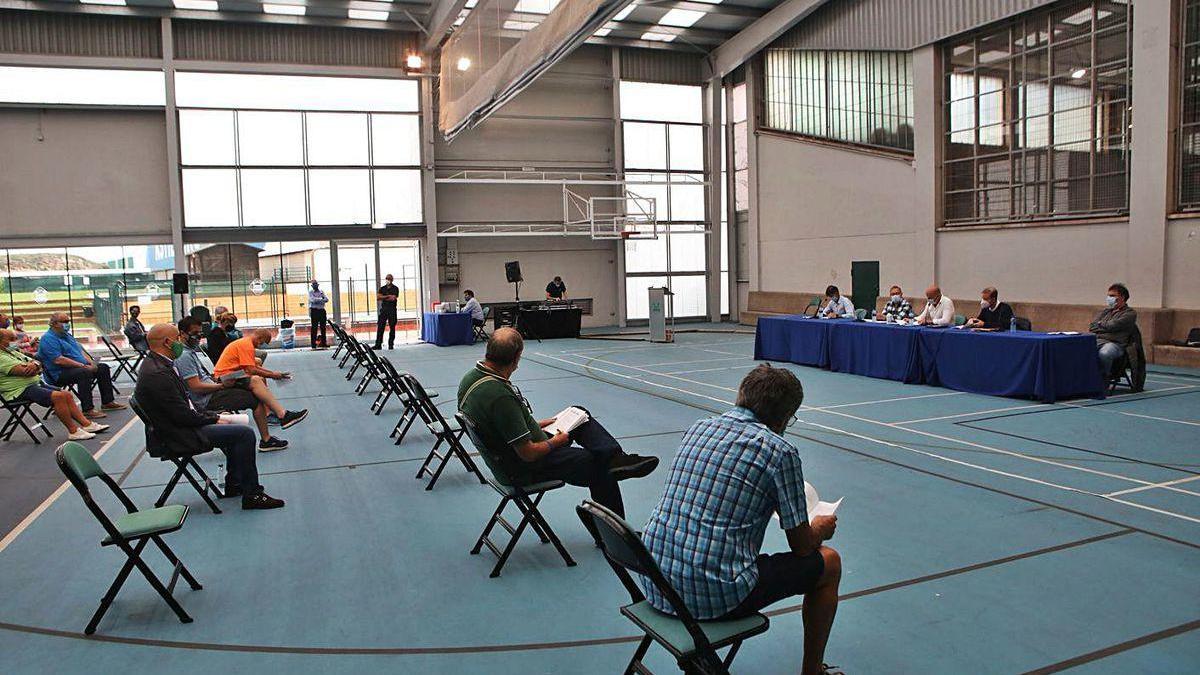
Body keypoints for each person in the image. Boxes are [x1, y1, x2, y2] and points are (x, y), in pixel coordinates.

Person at [640, 365, 841, 675]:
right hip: (712, 596)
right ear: (784, 418)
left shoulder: (700, 427)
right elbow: (801, 546)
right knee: (829, 563)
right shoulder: (780, 451)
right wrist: (820, 528)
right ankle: (812, 671)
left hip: (655, 581)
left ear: (741, 396)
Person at [457, 328, 658, 529]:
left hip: (509, 452)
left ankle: (616, 458)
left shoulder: (472, 378)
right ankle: (612, 532)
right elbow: (528, 453)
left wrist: (532, 425)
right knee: (598, 465)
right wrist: (555, 442)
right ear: (517, 357)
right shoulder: (500, 396)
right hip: (521, 467)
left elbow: (500, 425)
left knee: (580, 414)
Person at [135, 324, 284, 510]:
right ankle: (252, 493)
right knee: (244, 434)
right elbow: (182, 415)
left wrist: (212, 416)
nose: (180, 343)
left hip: (176, 426)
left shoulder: (157, 365)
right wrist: (213, 418)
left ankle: (235, 483)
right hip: (177, 435)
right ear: (167, 342)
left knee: (233, 427)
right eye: (177, 339)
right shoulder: (159, 374)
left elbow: (182, 409)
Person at [174, 318, 295, 451]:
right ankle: (274, 428)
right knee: (256, 394)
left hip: (215, 387)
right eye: (194, 333)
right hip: (208, 398)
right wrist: (222, 386)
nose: (198, 337)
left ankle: (278, 421)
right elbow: (195, 387)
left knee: (256, 383)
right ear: (183, 333)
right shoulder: (184, 356)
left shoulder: (189, 352)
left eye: (200, 334)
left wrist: (217, 382)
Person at [1, 329, 108, 441]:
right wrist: (35, 367)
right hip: (17, 391)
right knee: (59, 397)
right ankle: (73, 431)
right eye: (11, 339)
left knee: (67, 394)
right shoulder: (1, 357)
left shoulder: (13, 352)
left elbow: (37, 361)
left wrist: (35, 365)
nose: (15, 342)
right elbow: (25, 372)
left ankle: (87, 424)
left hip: (35, 384)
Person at [36, 312, 126, 419]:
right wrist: (81, 365)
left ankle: (107, 402)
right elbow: (58, 360)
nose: (67, 324)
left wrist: (91, 363)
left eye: (68, 321)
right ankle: (88, 409)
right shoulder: (48, 338)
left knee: (102, 368)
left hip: (77, 367)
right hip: (59, 373)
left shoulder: (67, 336)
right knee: (84, 373)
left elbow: (81, 352)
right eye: (64, 322)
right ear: (54, 324)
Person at [210, 329, 308, 427]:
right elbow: (251, 370)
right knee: (257, 380)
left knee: (259, 375)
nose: (260, 345)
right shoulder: (246, 345)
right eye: (263, 342)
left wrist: (273, 374)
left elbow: (252, 367)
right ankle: (282, 414)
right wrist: (272, 375)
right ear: (259, 338)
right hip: (226, 378)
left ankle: (270, 413)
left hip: (230, 375)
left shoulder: (246, 343)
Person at [1091, 282, 1138, 376]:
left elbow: (1114, 325)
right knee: (1080, 350)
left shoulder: (1130, 313)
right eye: (1108, 296)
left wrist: (1101, 325)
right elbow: (1092, 327)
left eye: (1112, 296)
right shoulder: (1105, 311)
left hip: (1116, 344)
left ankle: (1104, 379)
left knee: (1105, 353)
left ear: (1122, 297)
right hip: (1098, 341)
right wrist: (1104, 326)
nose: (1109, 298)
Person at [375, 274, 400, 350]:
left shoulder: (395, 288)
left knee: (392, 327)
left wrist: (384, 297)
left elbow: (393, 298)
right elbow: (378, 297)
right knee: (380, 327)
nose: (387, 280)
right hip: (384, 310)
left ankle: (391, 344)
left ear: (392, 279)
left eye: (389, 278)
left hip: (392, 310)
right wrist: (387, 296)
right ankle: (378, 344)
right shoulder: (382, 288)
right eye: (386, 278)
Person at [308, 281, 329, 349]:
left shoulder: (321, 291)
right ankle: (313, 345)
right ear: (312, 286)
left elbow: (326, 299)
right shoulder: (311, 292)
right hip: (314, 311)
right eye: (313, 285)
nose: (315, 286)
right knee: (314, 328)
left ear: (318, 285)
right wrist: (321, 299)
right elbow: (312, 300)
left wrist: (318, 299)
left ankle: (324, 344)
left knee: (323, 328)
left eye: (316, 284)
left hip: (322, 311)